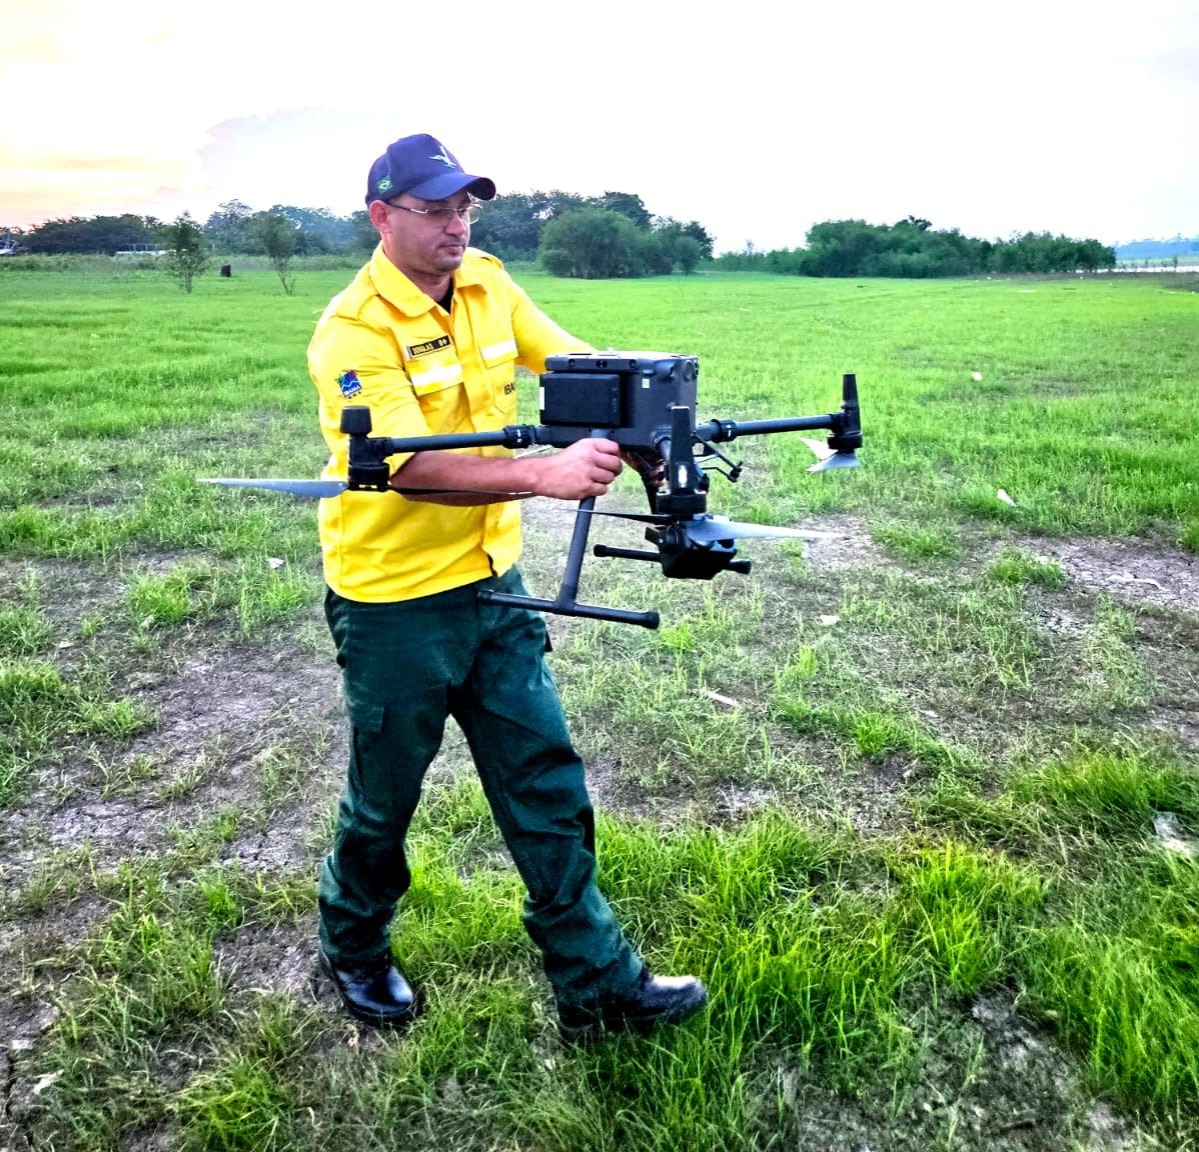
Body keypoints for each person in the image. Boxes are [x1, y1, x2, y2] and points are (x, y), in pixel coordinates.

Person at [306, 133, 707, 1041]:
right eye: (436, 210)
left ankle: (597, 982)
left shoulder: (486, 280)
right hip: (394, 600)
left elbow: (569, 361)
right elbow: (406, 466)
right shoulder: (352, 330)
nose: (456, 225)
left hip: (495, 584)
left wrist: (642, 397)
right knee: (386, 796)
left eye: (466, 208)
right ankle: (353, 942)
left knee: (543, 775)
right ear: (382, 218)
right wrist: (545, 474)